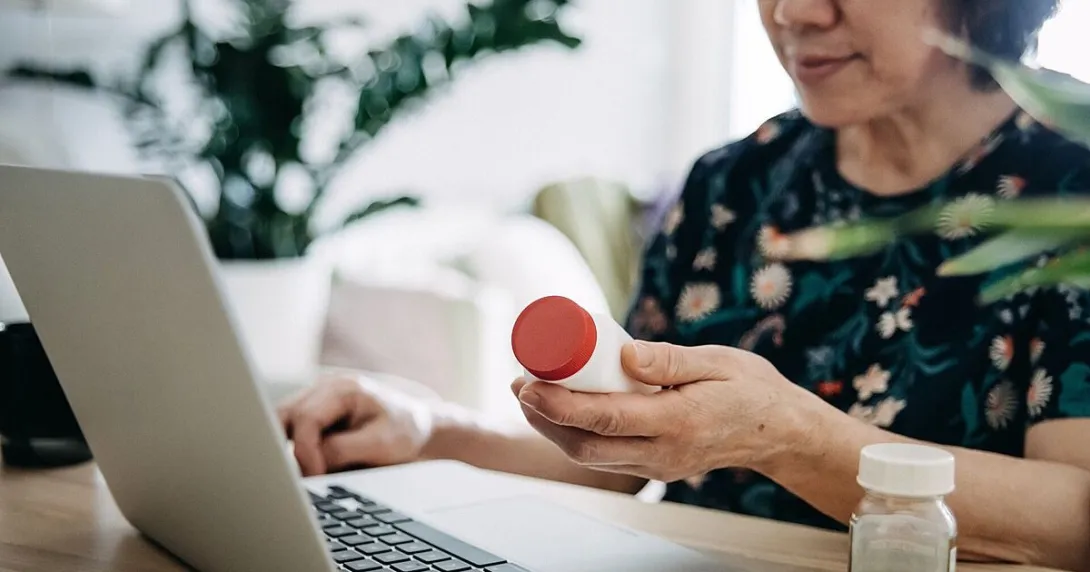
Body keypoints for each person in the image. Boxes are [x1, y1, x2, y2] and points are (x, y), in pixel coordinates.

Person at [278, 0, 1090, 569]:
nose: (794, 12)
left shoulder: (1071, 190)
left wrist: (791, 436)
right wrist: (428, 432)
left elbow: (1076, 519)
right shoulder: (735, 182)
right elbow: (625, 458)